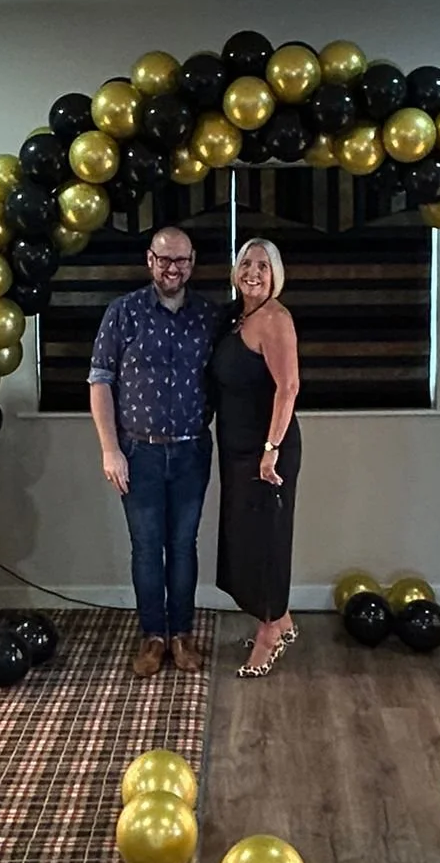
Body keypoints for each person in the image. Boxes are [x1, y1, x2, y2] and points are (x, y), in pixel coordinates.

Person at [88, 227, 218, 676]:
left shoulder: (208, 316)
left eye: (181, 260)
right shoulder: (122, 314)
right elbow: (100, 382)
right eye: (164, 259)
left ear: (192, 261)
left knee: (183, 546)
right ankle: (152, 637)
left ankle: (182, 635)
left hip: (192, 452)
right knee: (146, 548)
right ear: (149, 260)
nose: (172, 268)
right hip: (137, 454)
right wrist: (110, 451)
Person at [210, 237, 301, 678]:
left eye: (263, 265)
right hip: (236, 449)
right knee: (244, 541)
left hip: (267, 452)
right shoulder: (236, 317)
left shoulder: (276, 319)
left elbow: (288, 388)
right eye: (246, 263)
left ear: (275, 274)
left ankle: (269, 635)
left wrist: (271, 451)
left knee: (265, 542)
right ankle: (279, 619)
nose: (253, 272)